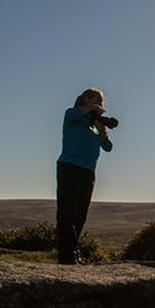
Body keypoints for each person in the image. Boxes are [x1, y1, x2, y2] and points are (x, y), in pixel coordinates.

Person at [55, 87, 113, 265]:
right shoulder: (73, 115)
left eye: (101, 103)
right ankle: (65, 254)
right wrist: (89, 110)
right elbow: (72, 115)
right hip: (69, 167)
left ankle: (72, 251)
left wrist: (102, 132)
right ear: (85, 100)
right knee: (67, 211)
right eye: (97, 101)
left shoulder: (93, 125)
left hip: (88, 171)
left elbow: (108, 147)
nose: (100, 105)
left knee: (81, 213)